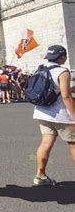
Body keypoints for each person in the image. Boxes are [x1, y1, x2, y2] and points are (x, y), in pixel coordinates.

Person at [33, 45, 75, 186]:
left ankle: (40, 175)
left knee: (46, 143)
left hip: (42, 111)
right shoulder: (63, 71)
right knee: (73, 143)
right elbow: (66, 96)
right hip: (61, 114)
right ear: (62, 57)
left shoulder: (40, 68)